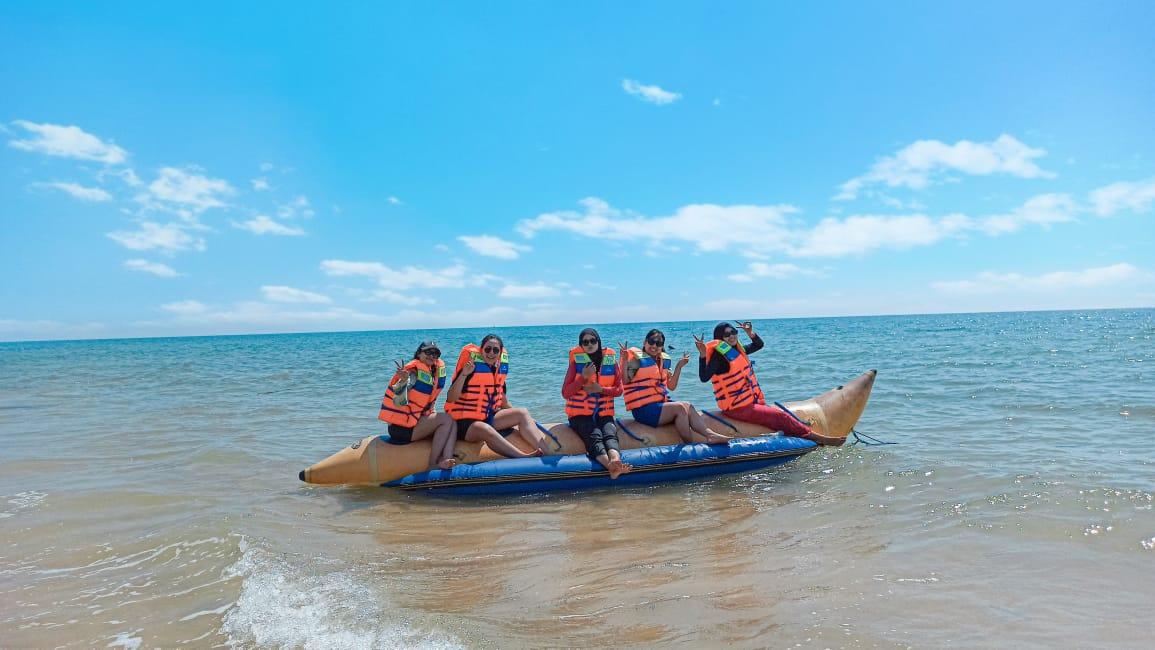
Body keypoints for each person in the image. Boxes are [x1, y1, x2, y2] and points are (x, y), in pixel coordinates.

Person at [695, 321, 843, 445]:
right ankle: (817, 438)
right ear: (720, 338)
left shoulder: (738, 352)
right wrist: (702, 355)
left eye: (734, 332)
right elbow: (704, 377)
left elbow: (759, 345)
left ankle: (798, 428)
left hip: (751, 402)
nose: (732, 336)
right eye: (727, 334)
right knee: (781, 417)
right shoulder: (719, 358)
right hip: (738, 408)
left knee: (780, 414)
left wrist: (750, 333)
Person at [444, 334, 548, 458]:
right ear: (481, 350)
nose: (491, 353)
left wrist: (528, 420)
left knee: (522, 412)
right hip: (464, 424)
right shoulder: (469, 369)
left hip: (487, 417)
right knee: (484, 428)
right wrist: (464, 375)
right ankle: (522, 457)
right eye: (487, 349)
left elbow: (503, 402)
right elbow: (451, 398)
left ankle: (548, 453)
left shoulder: (497, 372)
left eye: (496, 350)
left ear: (500, 353)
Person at [621, 328, 731, 445]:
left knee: (688, 406)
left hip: (659, 405)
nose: (654, 346)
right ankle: (689, 445)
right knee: (679, 408)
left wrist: (679, 366)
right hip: (643, 410)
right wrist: (624, 360)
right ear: (644, 342)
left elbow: (671, 386)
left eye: (659, 344)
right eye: (651, 341)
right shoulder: (636, 360)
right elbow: (625, 381)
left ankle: (710, 435)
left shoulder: (663, 361)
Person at [562, 328, 632, 479]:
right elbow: (565, 393)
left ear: (598, 342)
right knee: (595, 435)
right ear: (581, 345)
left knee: (610, 433)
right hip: (580, 416)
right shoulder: (576, 363)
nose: (589, 344)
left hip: (603, 412)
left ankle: (615, 460)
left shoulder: (610, 359)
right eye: (585, 342)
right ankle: (611, 467)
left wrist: (600, 389)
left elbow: (619, 390)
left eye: (592, 341)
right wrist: (582, 377)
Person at [378, 341, 458, 469]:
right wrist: (403, 380)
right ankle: (433, 464)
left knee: (452, 423)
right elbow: (398, 402)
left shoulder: (432, 371)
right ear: (419, 353)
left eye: (435, 353)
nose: (432, 356)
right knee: (446, 419)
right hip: (401, 429)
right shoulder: (413, 373)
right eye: (428, 352)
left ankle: (447, 459)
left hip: (415, 424)